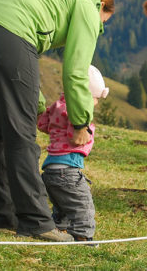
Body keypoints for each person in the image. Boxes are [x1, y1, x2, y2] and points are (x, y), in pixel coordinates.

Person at [0, 0, 114, 242]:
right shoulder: (87, 4)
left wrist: (38, 109)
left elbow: (26, 62)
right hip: (6, 31)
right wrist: (80, 121)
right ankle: (37, 222)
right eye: (102, 23)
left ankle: (6, 217)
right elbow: (77, 71)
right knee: (20, 135)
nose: (98, 28)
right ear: (101, 6)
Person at [38, 65, 108, 243]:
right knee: (82, 205)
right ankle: (82, 236)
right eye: (95, 98)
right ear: (84, 95)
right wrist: (86, 127)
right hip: (67, 170)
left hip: (50, 170)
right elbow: (76, 137)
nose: (97, 103)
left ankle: (61, 229)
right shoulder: (76, 111)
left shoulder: (57, 106)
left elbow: (43, 125)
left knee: (62, 204)